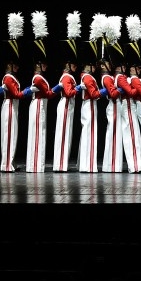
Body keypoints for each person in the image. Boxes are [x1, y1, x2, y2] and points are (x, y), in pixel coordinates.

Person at [0, 14, 32, 173]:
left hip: (13, 107)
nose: (17, 68)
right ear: (10, 65)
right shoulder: (9, 77)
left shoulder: (11, 77)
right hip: (10, 106)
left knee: (12, 135)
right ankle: (6, 164)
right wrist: (28, 90)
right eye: (15, 65)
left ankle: (9, 162)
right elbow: (17, 94)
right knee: (9, 135)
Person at [24, 15, 54, 173]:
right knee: (37, 134)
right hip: (38, 105)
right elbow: (48, 94)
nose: (46, 67)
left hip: (39, 105)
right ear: (39, 65)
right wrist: (57, 88)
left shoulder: (39, 77)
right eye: (44, 64)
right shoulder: (39, 78)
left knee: (38, 134)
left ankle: (35, 165)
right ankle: (35, 166)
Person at [51, 19, 81, 173]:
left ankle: (61, 164)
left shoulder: (68, 77)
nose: (76, 67)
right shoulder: (67, 77)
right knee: (63, 134)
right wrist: (79, 88)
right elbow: (69, 93)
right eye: (73, 65)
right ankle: (60, 165)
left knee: (66, 134)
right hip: (65, 105)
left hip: (68, 107)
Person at [76, 43, 104, 173]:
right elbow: (93, 94)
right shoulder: (88, 77)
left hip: (87, 104)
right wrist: (104, 91)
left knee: (87, 133)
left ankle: (85, 164)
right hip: (90, 105)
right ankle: (88, 165)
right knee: (90, 133)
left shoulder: (85, 76)